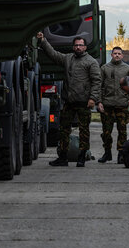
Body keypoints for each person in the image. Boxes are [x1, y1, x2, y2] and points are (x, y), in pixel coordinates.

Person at [37, 32, 101, 167]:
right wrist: (43, 41)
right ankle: (63, 157)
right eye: (76, 45)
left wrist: (93, 99)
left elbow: (97, 81)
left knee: (84, 131)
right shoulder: (68, 59)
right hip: (69, 102)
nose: (78, 47)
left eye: (81, 45)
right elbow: (53, 54)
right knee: (63, 130)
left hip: (84, 102)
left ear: (85, 47)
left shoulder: (91, 62)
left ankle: (82, 157)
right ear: (73, 47)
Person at [97, 47, 129, 163]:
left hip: (122, 105)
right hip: (107, 104)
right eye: (115, 53)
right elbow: (99, 86)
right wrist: (99, 101)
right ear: (111, 55)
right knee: (106, 132)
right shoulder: (104, 68)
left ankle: (121, 154)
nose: (117, 55)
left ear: (122, 56)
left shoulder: (128, 69)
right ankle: (107, 153)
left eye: (119, 53)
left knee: (122, 131)